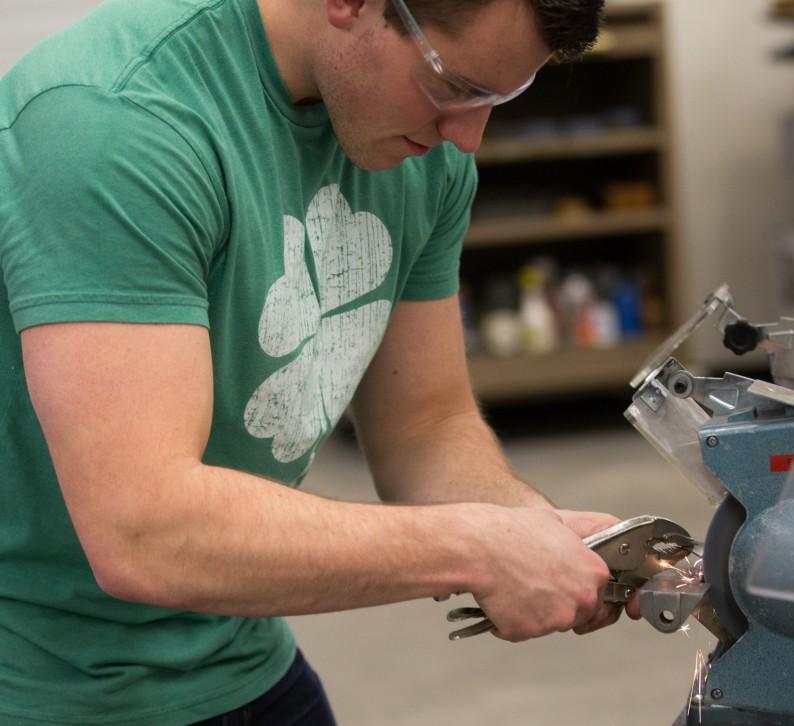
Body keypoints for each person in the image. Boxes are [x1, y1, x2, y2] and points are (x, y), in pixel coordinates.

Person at [0, 0, 626, 722]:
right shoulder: (113, 126)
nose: (467, 136)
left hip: (238, 653)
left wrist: (535, 528)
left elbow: (425, 424)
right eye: (453, 87)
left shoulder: (424, 152)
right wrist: (476, 546)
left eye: (498, 97)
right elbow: (145, 533)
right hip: (43, 689)